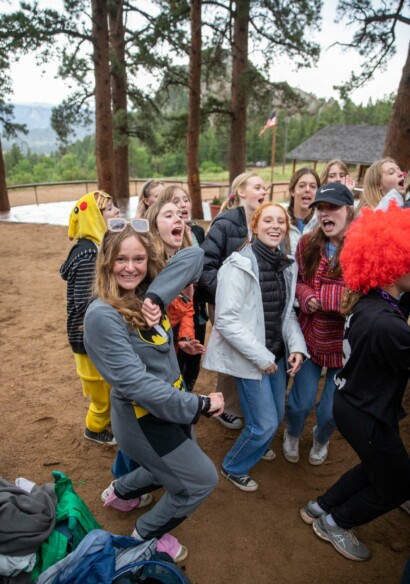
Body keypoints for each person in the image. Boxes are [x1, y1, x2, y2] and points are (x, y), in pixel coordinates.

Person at [84, 220, 224, 562]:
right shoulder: (102, 315)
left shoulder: (146, 297)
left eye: (138, 259)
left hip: (170, 410)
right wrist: (200, 403)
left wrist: (157, 296)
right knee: (199, 481)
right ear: (106, 262)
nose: (130, 267)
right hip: (144, 418)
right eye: (120, 259)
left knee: (172, 469)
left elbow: (194, 254)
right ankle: (146, 534)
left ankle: (121, 492)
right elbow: (136, 383)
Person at [300, 203, 410, 562]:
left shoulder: (370, 301)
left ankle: (321, 505)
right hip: (368, 414)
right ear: (394, 267)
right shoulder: (390, 326)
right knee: (396, 485)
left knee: (376, 465)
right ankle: (335, 522)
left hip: (352, 403)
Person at [203, 202, 307, 492]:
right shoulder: (237, 266)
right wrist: (262, 358)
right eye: (268, 221)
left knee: (273, 418)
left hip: (275, 354)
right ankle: (233, 466)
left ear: (286, 229)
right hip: (252, 359)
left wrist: (297, 346)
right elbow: (225, 320)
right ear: (255, 227)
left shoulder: (286, 265)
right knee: (263, 425)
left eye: (281, 222)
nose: (275, 226)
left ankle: (257, 445)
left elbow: (287, 314)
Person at [283, 182, 356, 466]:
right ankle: (291, 432)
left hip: (345, 344)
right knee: (298, 404)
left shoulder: (363, 248)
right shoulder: (307, 243)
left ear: (349, 209)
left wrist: (322, 298)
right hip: (310, 336)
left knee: (330, 412)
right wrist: (306, 294)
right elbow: (298, 282)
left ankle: (322, 437)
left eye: (333, 207)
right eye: (321, 207)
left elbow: (358, 294)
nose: (326, 213)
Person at [199, 172, 266, 430]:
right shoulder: (225, 223)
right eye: (258, 186)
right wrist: (226, 297)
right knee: (231, 351)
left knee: (249, 349)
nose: (264, 191)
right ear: (241, 192)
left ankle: (249, 401)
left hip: (253, 303)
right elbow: (206, 266)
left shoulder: (262, 222)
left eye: (265, 188)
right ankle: (227, 406)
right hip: (224, 302)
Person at [60, 190, 119, 445]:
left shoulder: (98, 246)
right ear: (95, 217)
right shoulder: (88, 254)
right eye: (109, 209)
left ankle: (107, 422)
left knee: (107, 381)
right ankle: (95, 428)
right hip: (87, 334)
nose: (116, 211)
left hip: (97, 331)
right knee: (99, 388)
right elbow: (86, 301)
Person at [157, 185, 208, 391]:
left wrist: (185, 336)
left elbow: (186, 306)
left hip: (179, 332)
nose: (179, 214)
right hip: (155, 341)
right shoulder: (150, 263)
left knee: (184, 373)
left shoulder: (189, 245)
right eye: (170, 212)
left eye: (184, 203)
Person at [145, 198, 206, 361]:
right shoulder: (145, 265)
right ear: (154, 228)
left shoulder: (182, 264)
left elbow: (187, 308)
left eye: (179, 215)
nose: (178, 218)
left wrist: (185, 337)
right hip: (146, 348)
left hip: (168, 346)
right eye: (168, 215)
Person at [286, 167, 320, 256]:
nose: (307, 190)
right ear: (292, 191)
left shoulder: (322, 221)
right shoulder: (281, 220)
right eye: (302, 186)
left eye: (313, 186)